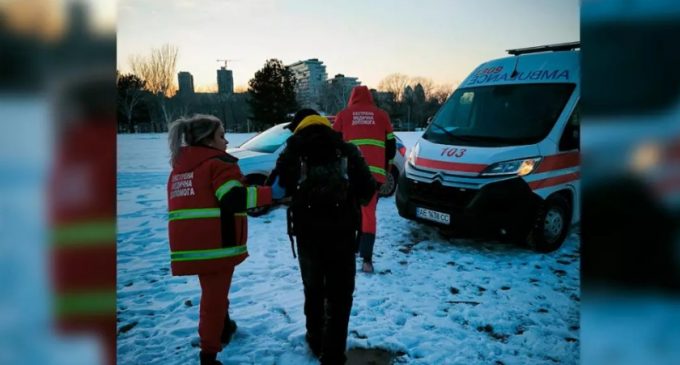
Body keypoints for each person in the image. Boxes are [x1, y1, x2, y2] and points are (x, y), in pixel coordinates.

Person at [166, 114, 284, 365]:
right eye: (221, 135)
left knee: (213, 293)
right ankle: (209, 353)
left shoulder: (181, 169)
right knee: (213, 300)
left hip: (191, 245)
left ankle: (224, 326)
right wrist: (269, 193)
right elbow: (232, 199)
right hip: (215, 246)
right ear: (207, 140)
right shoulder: (219, 164)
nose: (227, 141)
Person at [272, 110, 376, 364]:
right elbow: (367, 191)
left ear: (298, 128)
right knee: (341, 296)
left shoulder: (292, 151)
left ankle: (315, 338)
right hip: (342, 234)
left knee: (313, 288)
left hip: (308, 235)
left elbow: (276, 189)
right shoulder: (347, 149)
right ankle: (333, 354)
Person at [333, 85, 396, 273]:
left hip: (349, 175)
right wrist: (386, 170)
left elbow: (334, 146)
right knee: (368, 214)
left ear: (352, 98)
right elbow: (391, 147)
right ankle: (367, 260)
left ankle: (349, 251)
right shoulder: (382, 115)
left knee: (348, 212)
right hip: (373, 176)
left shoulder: (343, 115)